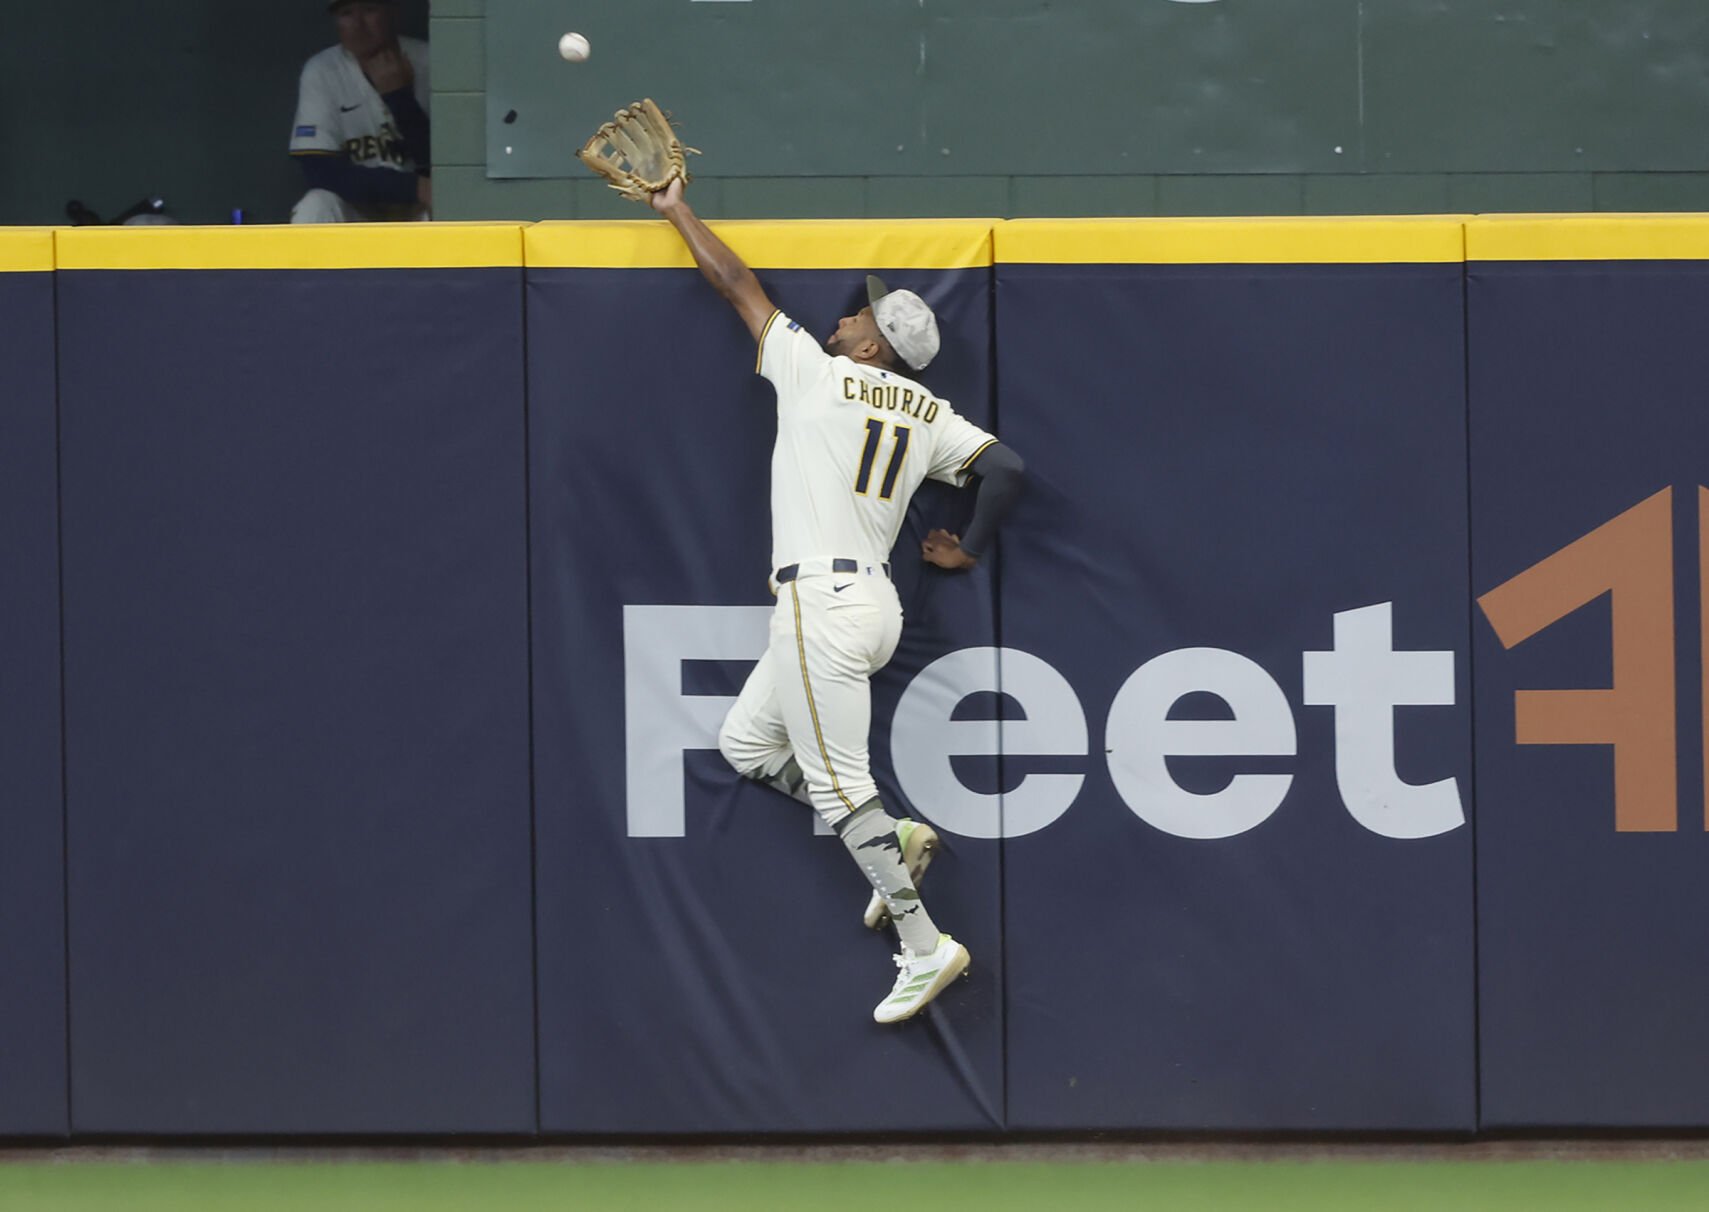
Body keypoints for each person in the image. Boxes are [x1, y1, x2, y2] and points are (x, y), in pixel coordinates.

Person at [649, 178, 1027, 1024]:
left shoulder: (818, 376)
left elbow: (736, 285)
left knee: (835, 782)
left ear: (874, 347)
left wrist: (675, 211)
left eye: (861, 315)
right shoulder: (928, 410)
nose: (847, 317)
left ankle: (925, 945)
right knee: (746, 743)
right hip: (874, 603)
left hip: (820, 603)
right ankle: (896, 837)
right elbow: (1005, 471)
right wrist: (966, 547)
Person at [288, 0, 430, 223]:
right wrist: (412, 187)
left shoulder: (429, 61)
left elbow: (444, 162)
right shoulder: (323, 70)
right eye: (346, 13)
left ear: (392, 12)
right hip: (360, 211)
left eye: (369, 10)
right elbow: (319, 171)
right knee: (315, 206)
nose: (358, 24)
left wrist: (400, 99)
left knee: (447, 200)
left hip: (420, 212)